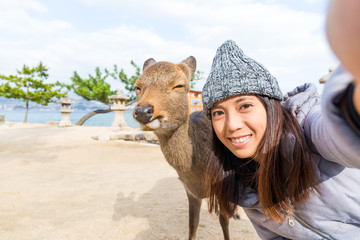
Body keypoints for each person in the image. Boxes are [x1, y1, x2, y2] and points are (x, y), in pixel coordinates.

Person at [202, 15, 360, 240]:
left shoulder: (308, 127)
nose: (232, 125)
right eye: (218, 113)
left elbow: (344, 137)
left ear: (270, 106)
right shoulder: (240, 178)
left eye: (245, 105)